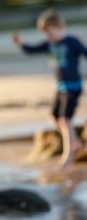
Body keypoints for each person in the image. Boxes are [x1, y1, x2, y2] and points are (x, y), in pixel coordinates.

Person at [12, 9, 87, 168]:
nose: (48, 36)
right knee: (54, 118)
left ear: (59, 26)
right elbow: (32, 50)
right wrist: (20, 43)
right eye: (45, 33)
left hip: (73, 87)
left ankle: (69, 155)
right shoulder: (49, 44)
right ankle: (75, 142)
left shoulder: (71, 41)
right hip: (60, 87)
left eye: (50, 32)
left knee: (65, 119)